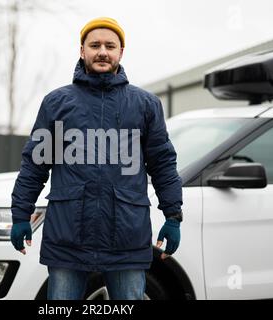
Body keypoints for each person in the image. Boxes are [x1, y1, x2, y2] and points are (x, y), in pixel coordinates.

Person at [10, 17, 183, 300]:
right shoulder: (57, 103)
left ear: (120, 53)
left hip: (127, 235)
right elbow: (35, 164)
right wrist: (20, 215)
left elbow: (163, 164)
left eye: (110, 46)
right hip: (68, 235)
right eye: (95, 45)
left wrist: (173, 215)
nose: (102, 51)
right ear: (82, 51)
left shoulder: (145, 105)